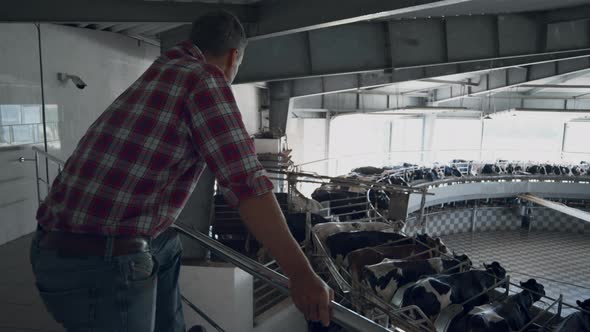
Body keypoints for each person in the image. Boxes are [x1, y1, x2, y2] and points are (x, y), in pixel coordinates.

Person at [30, 10, 333, 332]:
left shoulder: (165, 68)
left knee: (168, 244)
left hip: (58, 244)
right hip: (100, 262)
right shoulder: (203, 79)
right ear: (234, 56)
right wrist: (301, 275)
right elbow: (247, 185)